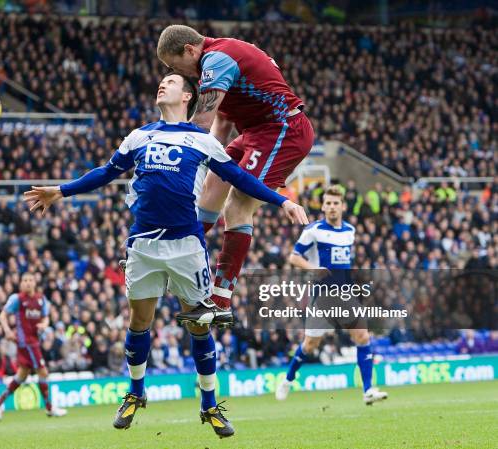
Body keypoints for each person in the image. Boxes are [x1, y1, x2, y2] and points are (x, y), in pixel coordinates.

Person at [23, 72, 308, 438]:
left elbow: (241, 179)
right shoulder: (140, 135)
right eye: (160, 80)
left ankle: (209, 405)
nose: (162, 83)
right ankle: (136, 392)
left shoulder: (202, 140)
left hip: (187, 245)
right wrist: (60, 191)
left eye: (170, 81)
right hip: (143, 244)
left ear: (188, 96)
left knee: (199, 324)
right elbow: (106, 172)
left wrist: (281, 200)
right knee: (139, 322)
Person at [157, 25, 315, 325]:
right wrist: (202, 163)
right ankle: (172, 254)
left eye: (178, 67)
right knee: (211, 189)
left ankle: (220, 300)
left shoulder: (217, 60)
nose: (181, 73)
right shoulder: (221, 59)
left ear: (190, 50)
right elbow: (220, 127)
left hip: (282, 130)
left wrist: (167, 149)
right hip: (256, 132)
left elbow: (201, 123)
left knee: (237, 205)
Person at [275, 186, 388, 405]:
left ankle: (368, 390)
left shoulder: (349, 231)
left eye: (336, 203)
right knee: (310, 345)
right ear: (323, 206)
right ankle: (288, 379)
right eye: (328, 203)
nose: (332, 207)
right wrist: (313, 269)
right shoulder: (313, 230)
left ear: (343, 206)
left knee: (363, 336)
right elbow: (294, 257)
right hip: (322, 294)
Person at [0, 272, 67, 420]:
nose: (27, 283)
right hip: (27, 342)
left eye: (30, 280)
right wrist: (7, 331)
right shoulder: (16, 299)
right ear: (21, 283)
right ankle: (50, 408)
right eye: (24, 280)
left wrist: (44, 325)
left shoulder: (41, 299)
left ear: (35, 282)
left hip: (33, 341)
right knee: (43, 372)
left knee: (22, 375)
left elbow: (46, 318)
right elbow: (2, 315)